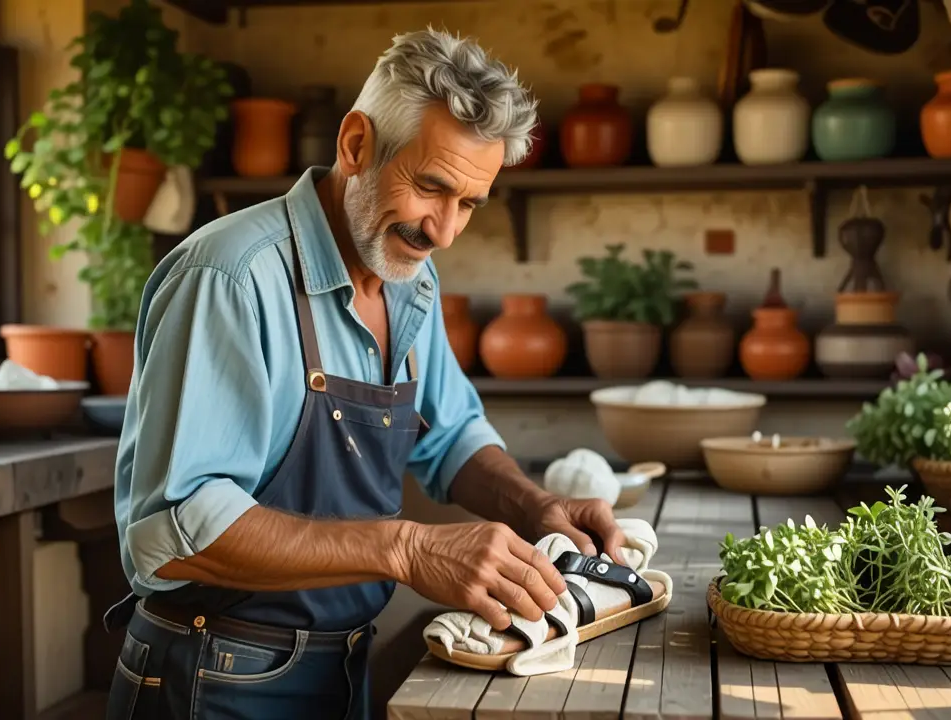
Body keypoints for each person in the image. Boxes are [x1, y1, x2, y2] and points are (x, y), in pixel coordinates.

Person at [104, 27, 626, 720]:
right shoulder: (230, 277)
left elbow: (451, 436)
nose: (442, 229)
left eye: (468, 203)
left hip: (342, 665)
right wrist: (406, 548)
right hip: (214, 675)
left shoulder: (410, 277)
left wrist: (536, 508)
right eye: (431, 187)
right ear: (355, 144)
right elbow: (175, 529)